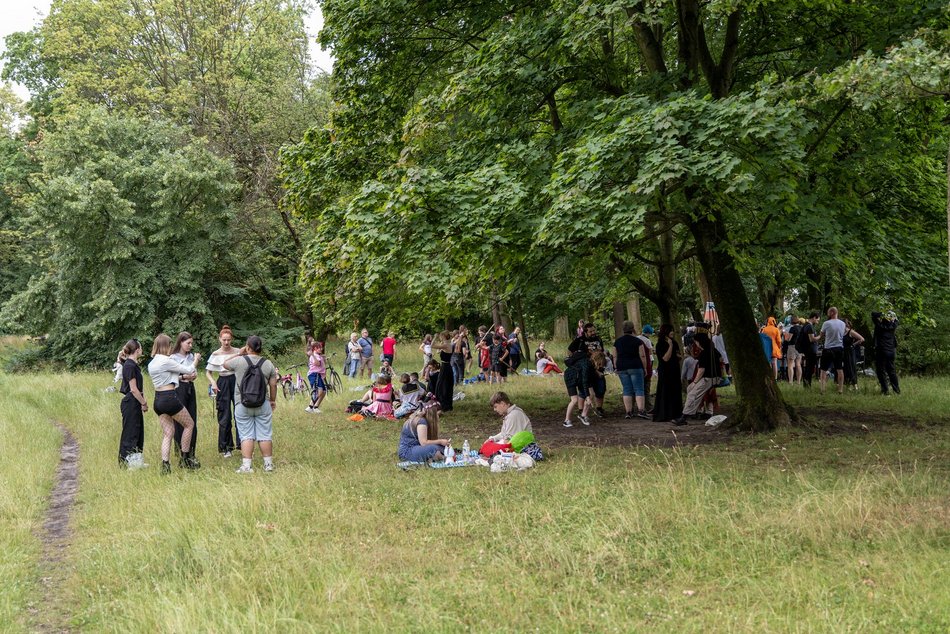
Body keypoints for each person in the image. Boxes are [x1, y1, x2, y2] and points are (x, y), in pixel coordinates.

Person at [222, 335, 279, 473]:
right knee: (265, 434)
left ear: (248, 347)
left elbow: (224, 364)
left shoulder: (239, 361)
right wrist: (272, 400)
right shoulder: (268, 364)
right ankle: (268, 465)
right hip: (262, 403)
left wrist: (240, 353)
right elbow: (273, 385)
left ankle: (247, 466)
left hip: (242, 404)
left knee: (246, 435)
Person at [147, 333, 201, 473]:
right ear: (165, 346)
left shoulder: (152, 363)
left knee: (168, 433)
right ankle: (185, 458)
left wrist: (183, 376)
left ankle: (165, 465)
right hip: (169, 398)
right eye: (170, 345)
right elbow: (189, 369)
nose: (171, 347)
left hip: (158, 399)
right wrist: (195, 360)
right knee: (189, 425)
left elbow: (173, 374)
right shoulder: (166, 361)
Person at [673, 328, 721, 426]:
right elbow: (720, 359)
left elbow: (701, 370)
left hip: (708, 378)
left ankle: (684, 417)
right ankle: (690, 413)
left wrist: (694, 382)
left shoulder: (704, 353)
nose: (696, 344)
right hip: (715, 377)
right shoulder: (713, 350)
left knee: (692, 394)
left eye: (696, 342)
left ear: (700, 342)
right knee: (692, 392)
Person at [206, 325, 241, 457]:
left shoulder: (237, 351)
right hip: (222, 382)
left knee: (240, 413)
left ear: (232, 339)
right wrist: (213, 382)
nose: (226, 342)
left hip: (236, 381)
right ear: (219, 339)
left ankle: (242, 444)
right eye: (224, 340)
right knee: (224, 415)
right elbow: (208, 372)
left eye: (229, 340)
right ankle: (226, 447)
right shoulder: (216, 354)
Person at [117, 339, 147, 466]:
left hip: (134, 402)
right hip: (131, 401)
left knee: (137, 431)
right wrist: (144, 402)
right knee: (130, 432)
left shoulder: (132, 365)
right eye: (141, 348)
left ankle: (135, 460)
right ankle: (125, 461)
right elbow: (134, 389)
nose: (142, 350)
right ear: (137, 350)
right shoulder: (129, 365)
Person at [170, 331, 199, 463]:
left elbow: (194, 372)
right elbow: (171, 377)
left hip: (190, 388)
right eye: (188, 343)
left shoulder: (191, 356)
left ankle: (190, 451)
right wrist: (184, 376)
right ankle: (180, 449)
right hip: (179, 388)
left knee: (192, 419)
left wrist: (193, 376)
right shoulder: (173, 358)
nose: (190, 346)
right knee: (180, 420)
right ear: (180, 342)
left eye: (191, 343)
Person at [613, 320, 649, 419]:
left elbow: (615, 356)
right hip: (635, 366)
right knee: (639, 389)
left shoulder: (617, 342)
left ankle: (628, 412)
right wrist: (645, 367)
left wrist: (616, 366)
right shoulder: (638, 341)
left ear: (623, 330)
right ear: (633, 329)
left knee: (627, 389)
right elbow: (642, 355)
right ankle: (641, 410)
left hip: (622, 367)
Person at [572, 322, 607, 417]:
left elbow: (602, 351)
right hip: (586, 369)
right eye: (590, 331)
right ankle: (581, 410)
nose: (593, 333)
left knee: (601, 389)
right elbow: (570, 351)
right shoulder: (580, 340)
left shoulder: (598, 339)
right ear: (586, 332)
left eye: (594, 330)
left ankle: (599, 409)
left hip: (599, 368)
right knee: (584, 390)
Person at [652, 324, 683, 423]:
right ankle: (665, 413)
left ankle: (676, 413)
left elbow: (677, 355)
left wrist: (679, 356)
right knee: (666, 391)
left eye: (673, 330)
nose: (672, 333)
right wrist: (670, 346)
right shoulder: (660, 344)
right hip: (665, 371)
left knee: (675, 391)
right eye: (670, 331)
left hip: (674, 370)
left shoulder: (675, 342)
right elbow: (665, 358)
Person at [563, 330, 592, 427]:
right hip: (571, 377)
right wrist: (587, 396)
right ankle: (567, 420)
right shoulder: (585, 362)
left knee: (590, 394)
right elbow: (584, 380)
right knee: (574, 400)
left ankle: (583, 415)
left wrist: (587, 395)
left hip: (576, 377)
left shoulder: (578, 357)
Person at [872, 310, 900, 395]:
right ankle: (896, 390)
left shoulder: (880, 326)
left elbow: (874, 315)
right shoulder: (893, 326)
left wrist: (881, 313)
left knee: (881, 371)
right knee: (891, 371)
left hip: (881, 351)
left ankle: (885, 390)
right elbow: (897, 320)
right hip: (891, 351)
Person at [819, 307, 846, 394]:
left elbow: (821, 335)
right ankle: (840, 389)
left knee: (823, 369)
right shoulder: (843, 324)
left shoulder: (826, 323)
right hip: (839, 348)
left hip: (828, 349)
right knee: (839, 369)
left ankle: (823, 389)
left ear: (831, 313)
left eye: (828, 312)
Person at [431, 331, 454, 411]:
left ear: (443, 336)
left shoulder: (445, 345)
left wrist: (435, 337)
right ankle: (445, 403)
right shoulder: (447, 344)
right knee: (445, 385)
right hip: (446, 366)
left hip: (445, 367)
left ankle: (443, 403)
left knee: (442, 385)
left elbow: (432, 345)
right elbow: (438, 351)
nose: (440, 337)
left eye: (441, 336)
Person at [842, 318, 865, 389]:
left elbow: (862, 339)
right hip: (843, 351)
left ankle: (854, 384)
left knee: (851, 367)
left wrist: (853, 344)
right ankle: (846, 383)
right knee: (844, 367)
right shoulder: (841, 332)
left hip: (850, 351)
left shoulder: (851, 332)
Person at [305, 341, 327, 413]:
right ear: (315, 349)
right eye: (319, 348)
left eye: (321, 347)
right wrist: (313, 355)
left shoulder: (318, 355)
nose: (321, 349)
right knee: (318, 391)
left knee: (323, 391)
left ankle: (316, 407)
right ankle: (310, 407)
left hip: (318, 375)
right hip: (314, 374)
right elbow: (317, 363)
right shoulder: (313, 356)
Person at [800, 312, 820, 387]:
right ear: (814, 317)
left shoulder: (805, 325)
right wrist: (820, 336)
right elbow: (811, 339)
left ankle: (807, 383)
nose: (818, 322)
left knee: (809, 367)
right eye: (817, 320)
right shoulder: (809, 326)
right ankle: (807, 384)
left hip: (808, 350)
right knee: (810, 367)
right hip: (810, 350)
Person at [638, 325, 655, 410]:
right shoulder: (647, 340)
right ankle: (648, 406)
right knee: (646, 387)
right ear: (649, 333)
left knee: (638, 387)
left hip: (637, 364)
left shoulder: (637, 338)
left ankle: (638, 406)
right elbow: (650, 353)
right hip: (646, 364)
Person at [785, 317, 803, 385]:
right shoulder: (801, 328)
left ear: (792, 321)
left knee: (790, 364)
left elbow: (789, 339)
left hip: (792, 347)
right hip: (799, 347)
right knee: (798, 364)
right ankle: (798, 382)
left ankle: (791, 381)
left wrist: (785, 335)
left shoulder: (792, 328)